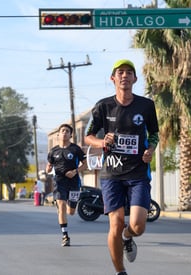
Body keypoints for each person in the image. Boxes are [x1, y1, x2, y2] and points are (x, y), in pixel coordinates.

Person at [85, 59, 159, 275]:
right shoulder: (103, 106)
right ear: (113, 78)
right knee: (115, 224)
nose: (124, 75)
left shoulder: (146, 106)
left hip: (138, 172)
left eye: (129, 72)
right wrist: (101, 142)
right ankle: (120, 271)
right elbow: (88, 136)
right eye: (120, 72)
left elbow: (154, 133)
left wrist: (150, 149)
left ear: (135, 79)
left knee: (138, 226)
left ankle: (128, 237)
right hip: (112, 173)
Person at [46, 123, 87, 247]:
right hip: (59, 182)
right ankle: (65, 236)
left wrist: (75, 171)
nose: (64, 133)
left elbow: (85, 165)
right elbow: (49, 168)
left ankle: (68, 206)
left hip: (74, 182)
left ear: (70, 135)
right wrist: (48, 168)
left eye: (67, 131)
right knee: (62, 206)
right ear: (58, 134)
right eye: (62, 131)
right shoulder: (53, 151)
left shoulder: (75, 149)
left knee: (71, 211)